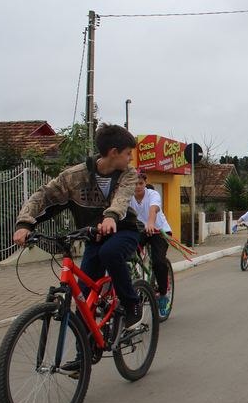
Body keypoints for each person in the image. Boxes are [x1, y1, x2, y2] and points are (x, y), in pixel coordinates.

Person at [13, 123, 144, 337]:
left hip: (124, 230)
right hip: (93, 236)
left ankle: (131, 303)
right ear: (113, 153)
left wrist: (110, 217)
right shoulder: (74, 176)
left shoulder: (128, 174)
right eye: (128, 153)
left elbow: (122, 198)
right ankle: (83, 355)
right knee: (82, 298)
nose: (130, 158)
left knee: (109, 253)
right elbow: (43, 196)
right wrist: (24, 224)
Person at [130, 172, 173, 316]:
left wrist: (150, 222)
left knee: (159, 262)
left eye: (140, 183)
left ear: (145, 183)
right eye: (134, 183)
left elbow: (153, 209)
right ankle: (135, 282)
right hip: (140, 231)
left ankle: (162, 295)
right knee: (126, 255)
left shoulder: (153, 194)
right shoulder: (128, 197)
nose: (137, 186)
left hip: (159, 231)